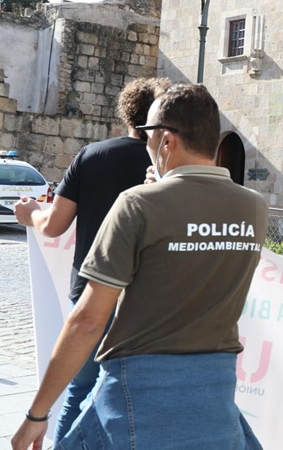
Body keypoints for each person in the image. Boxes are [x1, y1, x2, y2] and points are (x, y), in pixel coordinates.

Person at [12, 84, 269, 450]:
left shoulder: (137, 205)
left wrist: (36, 416)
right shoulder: (254, 207)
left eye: (148, 135)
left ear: (166, 141)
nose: (146, 145)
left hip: (140, 391)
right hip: (214, 386)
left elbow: (88, 321)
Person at [14, 76, 169, 445]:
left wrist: (31, 214)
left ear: (127, 114)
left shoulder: (93, 156)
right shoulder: (167, 169)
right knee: (131, 395)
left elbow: (54, 226)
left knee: (80, 390)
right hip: (143, 300)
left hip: (89, 290)